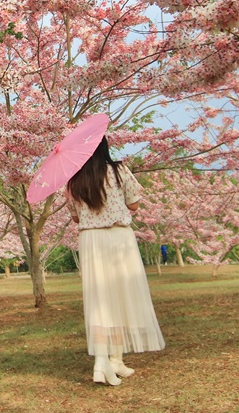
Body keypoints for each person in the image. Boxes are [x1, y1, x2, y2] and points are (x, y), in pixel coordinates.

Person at [65, 137, 165, 386]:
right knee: (121, 295)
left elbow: (76, 217)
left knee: (100, 297)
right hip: (119, 237)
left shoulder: (73, 179)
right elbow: (134, 204)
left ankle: (113, 359)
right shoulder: (119, 171)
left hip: (91, 240)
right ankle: (103, 361)